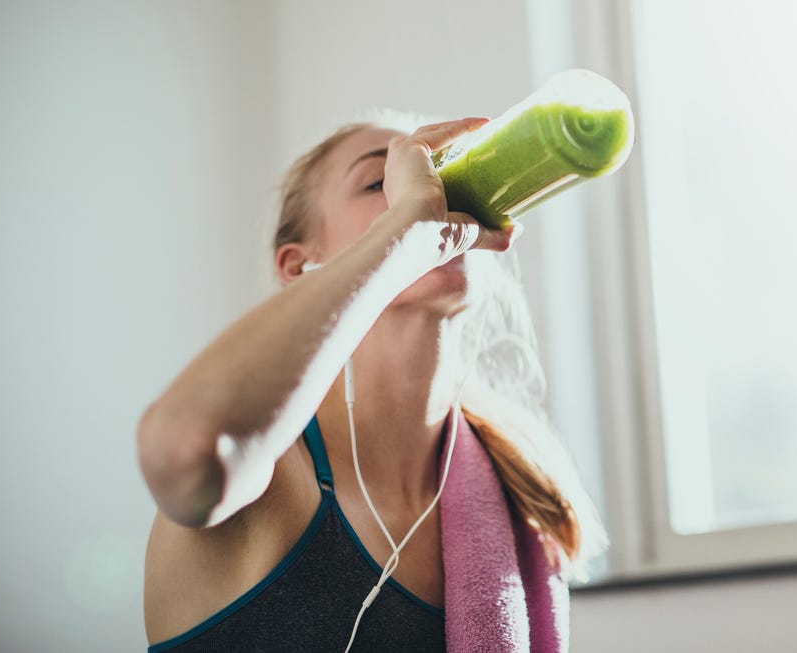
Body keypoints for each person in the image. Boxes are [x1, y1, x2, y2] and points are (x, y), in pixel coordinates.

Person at [137, 113, 605, 652]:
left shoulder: (518, 501)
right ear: (298, 266)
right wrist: (406, 233)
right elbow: (184, 445)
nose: (432, 194)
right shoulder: (269, 478)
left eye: (438, 174)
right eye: (380, 182)